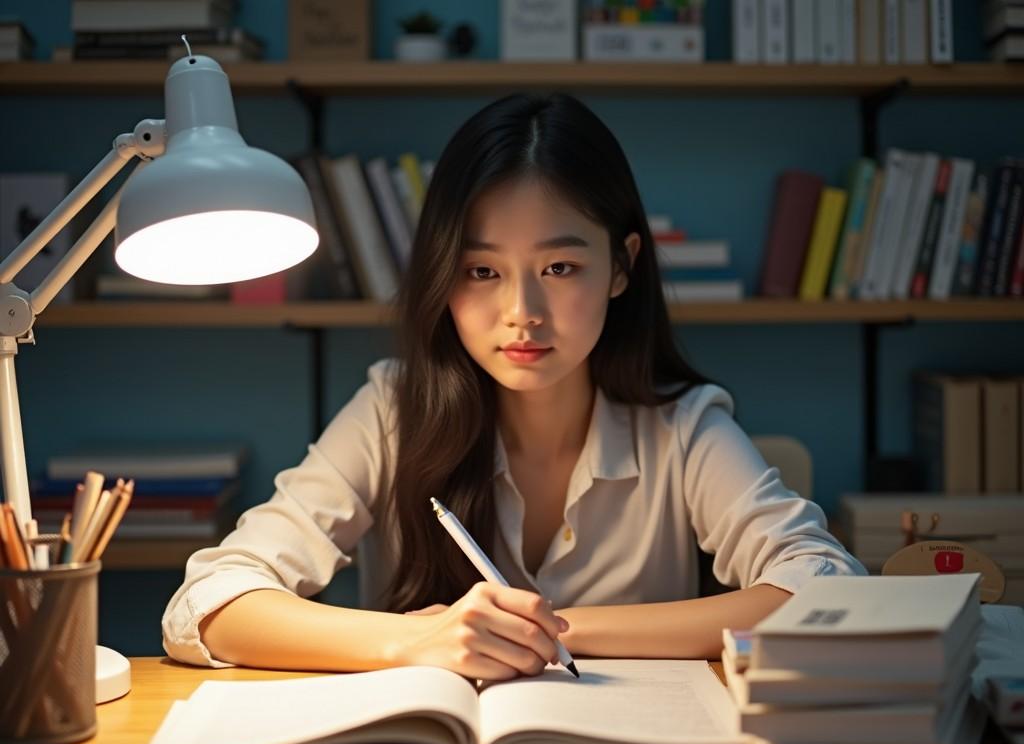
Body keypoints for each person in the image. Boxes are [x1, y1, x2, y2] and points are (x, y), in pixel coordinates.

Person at [162, 93, 866, 680]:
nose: (522, 312)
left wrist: (551, 629)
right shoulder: (392, 411)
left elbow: (829, 592)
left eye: (560, 268)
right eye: (483, 272)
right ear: (444, 276)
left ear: (621, 268)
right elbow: (210, 600)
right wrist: (414, 643)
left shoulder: (682, 427)